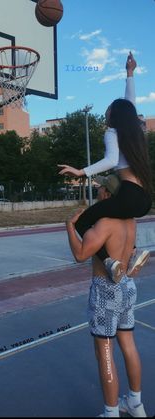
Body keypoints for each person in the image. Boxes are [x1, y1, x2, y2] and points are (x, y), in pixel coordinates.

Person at [58, 51, 152, 283]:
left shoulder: (112, 133)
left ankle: (111, 262)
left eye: (109, 108)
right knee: (123, 223)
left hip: (129, 195)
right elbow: (129, 104)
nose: (106, 110)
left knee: (81, 221)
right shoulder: (135, 131)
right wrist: (129, 73)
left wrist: (82, 171)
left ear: (115, 115)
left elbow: (111, 161)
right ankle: (131, 254)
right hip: (144, 199)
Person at [66, 175, 147, 417]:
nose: (98, 192)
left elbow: (81, 254)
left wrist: (69, 226)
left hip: (105, 291)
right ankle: (135, 404)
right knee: (129, 346)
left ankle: (111, 413)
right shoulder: (130, 222)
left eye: (101, 189)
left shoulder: (104, 224)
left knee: (105, 353)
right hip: (127, 287)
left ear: (108, 194)